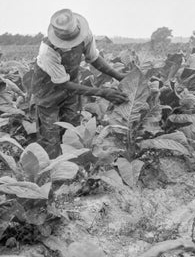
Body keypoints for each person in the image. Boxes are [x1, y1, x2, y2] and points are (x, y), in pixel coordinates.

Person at [31, 8, 128, 158]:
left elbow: (94, 58)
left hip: (71, 87)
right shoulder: (47, 50)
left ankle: (73, 169)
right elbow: (63, 83)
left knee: (72, 130)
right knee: (50, 136)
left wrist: (120, 76)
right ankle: (54, 173)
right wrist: (102, 92)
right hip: (47, 91)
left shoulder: (85, 34)